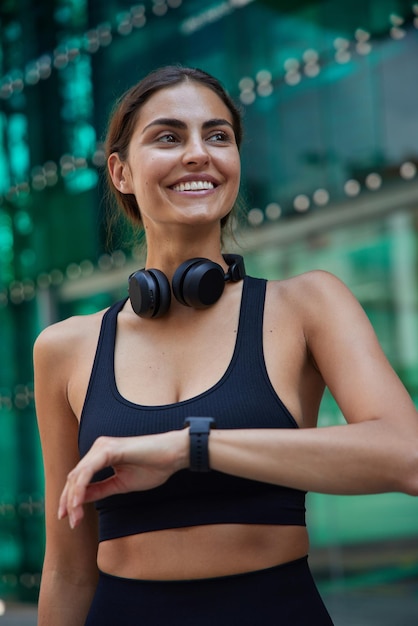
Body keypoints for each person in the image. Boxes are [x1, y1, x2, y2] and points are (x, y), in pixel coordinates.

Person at [34, 65, 418, 626]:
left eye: (218, 136)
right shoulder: (64, 347)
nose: (198, 153)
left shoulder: (308, 305)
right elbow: (67, 570)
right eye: (168, 136)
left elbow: (406, 458)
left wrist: (189, 447)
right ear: (120, 171)